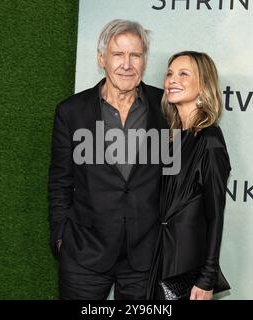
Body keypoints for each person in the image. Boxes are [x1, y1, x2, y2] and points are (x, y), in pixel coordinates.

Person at [48, 19, 168, 300]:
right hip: (84, 254)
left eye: (135, 55)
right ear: (102, 58)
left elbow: (177, 179)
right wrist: (61, 236)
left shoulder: (166, 109)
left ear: (144, 61)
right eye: (118, 54)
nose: (127, 64)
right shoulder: (72, 111)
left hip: (146, 257)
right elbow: (60, 181)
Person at [147, 51, 231, 300]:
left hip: (185, 266)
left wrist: (206, 279)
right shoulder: (171, 137)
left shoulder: (210, 140)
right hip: (156, 257)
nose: (173, 80)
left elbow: (215, 215)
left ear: (204, 84)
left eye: (184, 74)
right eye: (169, 74)